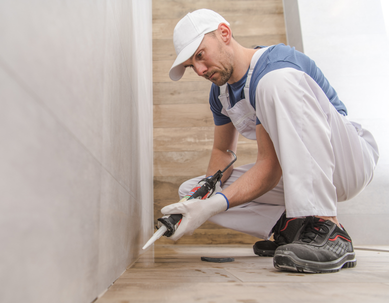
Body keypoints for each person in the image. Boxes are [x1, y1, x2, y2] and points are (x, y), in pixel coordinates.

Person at [162, 8, 379, 273]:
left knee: (272, 84)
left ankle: (329, 229)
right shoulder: (220, 94)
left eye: (199, 56)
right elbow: (222, 152)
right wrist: (200, 200)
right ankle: (293, 228)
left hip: (347, 160)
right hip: (302, 171)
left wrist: (212, 208)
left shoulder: (274, 67)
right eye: (190, 65)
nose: (199, 70)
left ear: (224, 33)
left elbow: (269, 168)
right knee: (191, 191)